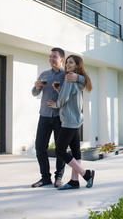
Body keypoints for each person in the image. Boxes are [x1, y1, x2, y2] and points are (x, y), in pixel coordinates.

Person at [31, 48, 85, 188]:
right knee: (39, 148)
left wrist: (78, 77)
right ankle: (45, 178)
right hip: (44, 116)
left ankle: (59, 177)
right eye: (50, 56)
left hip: (59, 118)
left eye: (54, 57)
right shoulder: (45, 75)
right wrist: (36, 87)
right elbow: (35, 93)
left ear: (61, 59)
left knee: (61, 149)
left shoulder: (67, 75)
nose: (51, 59)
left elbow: (83, 81)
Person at [47, 55, 94, 190]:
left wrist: (56, 104)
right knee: (75, 151)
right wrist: (59, 90)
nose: (67, 65)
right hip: (76, 119)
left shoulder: (70, 78)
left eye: (71, 63)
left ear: (77, 65)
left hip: (69, 120)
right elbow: (69, 94)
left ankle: (86, 174)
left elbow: (63, 100)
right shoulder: (77, 79)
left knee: (60, 151)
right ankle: (74, 181)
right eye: (67, 62)